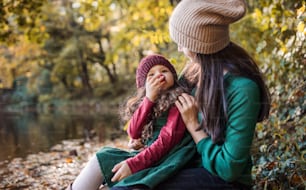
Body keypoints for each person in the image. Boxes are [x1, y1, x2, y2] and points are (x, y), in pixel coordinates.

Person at [112, 0, 271, 189]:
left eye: (183, 42)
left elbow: (230, 169)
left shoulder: (242, 89)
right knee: (111, 169)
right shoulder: (193, 73)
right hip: (183, 163)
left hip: (223, 180)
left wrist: (194, 126)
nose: (179, 48)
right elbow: (169, 123)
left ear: (199, 44)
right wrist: (145, 137)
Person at [66, 54, 197, 190]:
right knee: (103, 156)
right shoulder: (148, 101)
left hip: (169, 158)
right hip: (150, 155)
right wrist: (149, 100)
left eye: (164, 71)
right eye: (150, 75)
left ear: (174, 77)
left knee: (128, 179)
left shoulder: (179, 100)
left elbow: (167, 140)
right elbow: (134, 132)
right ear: (143, 85)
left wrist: (133, 164)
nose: (159, 75)